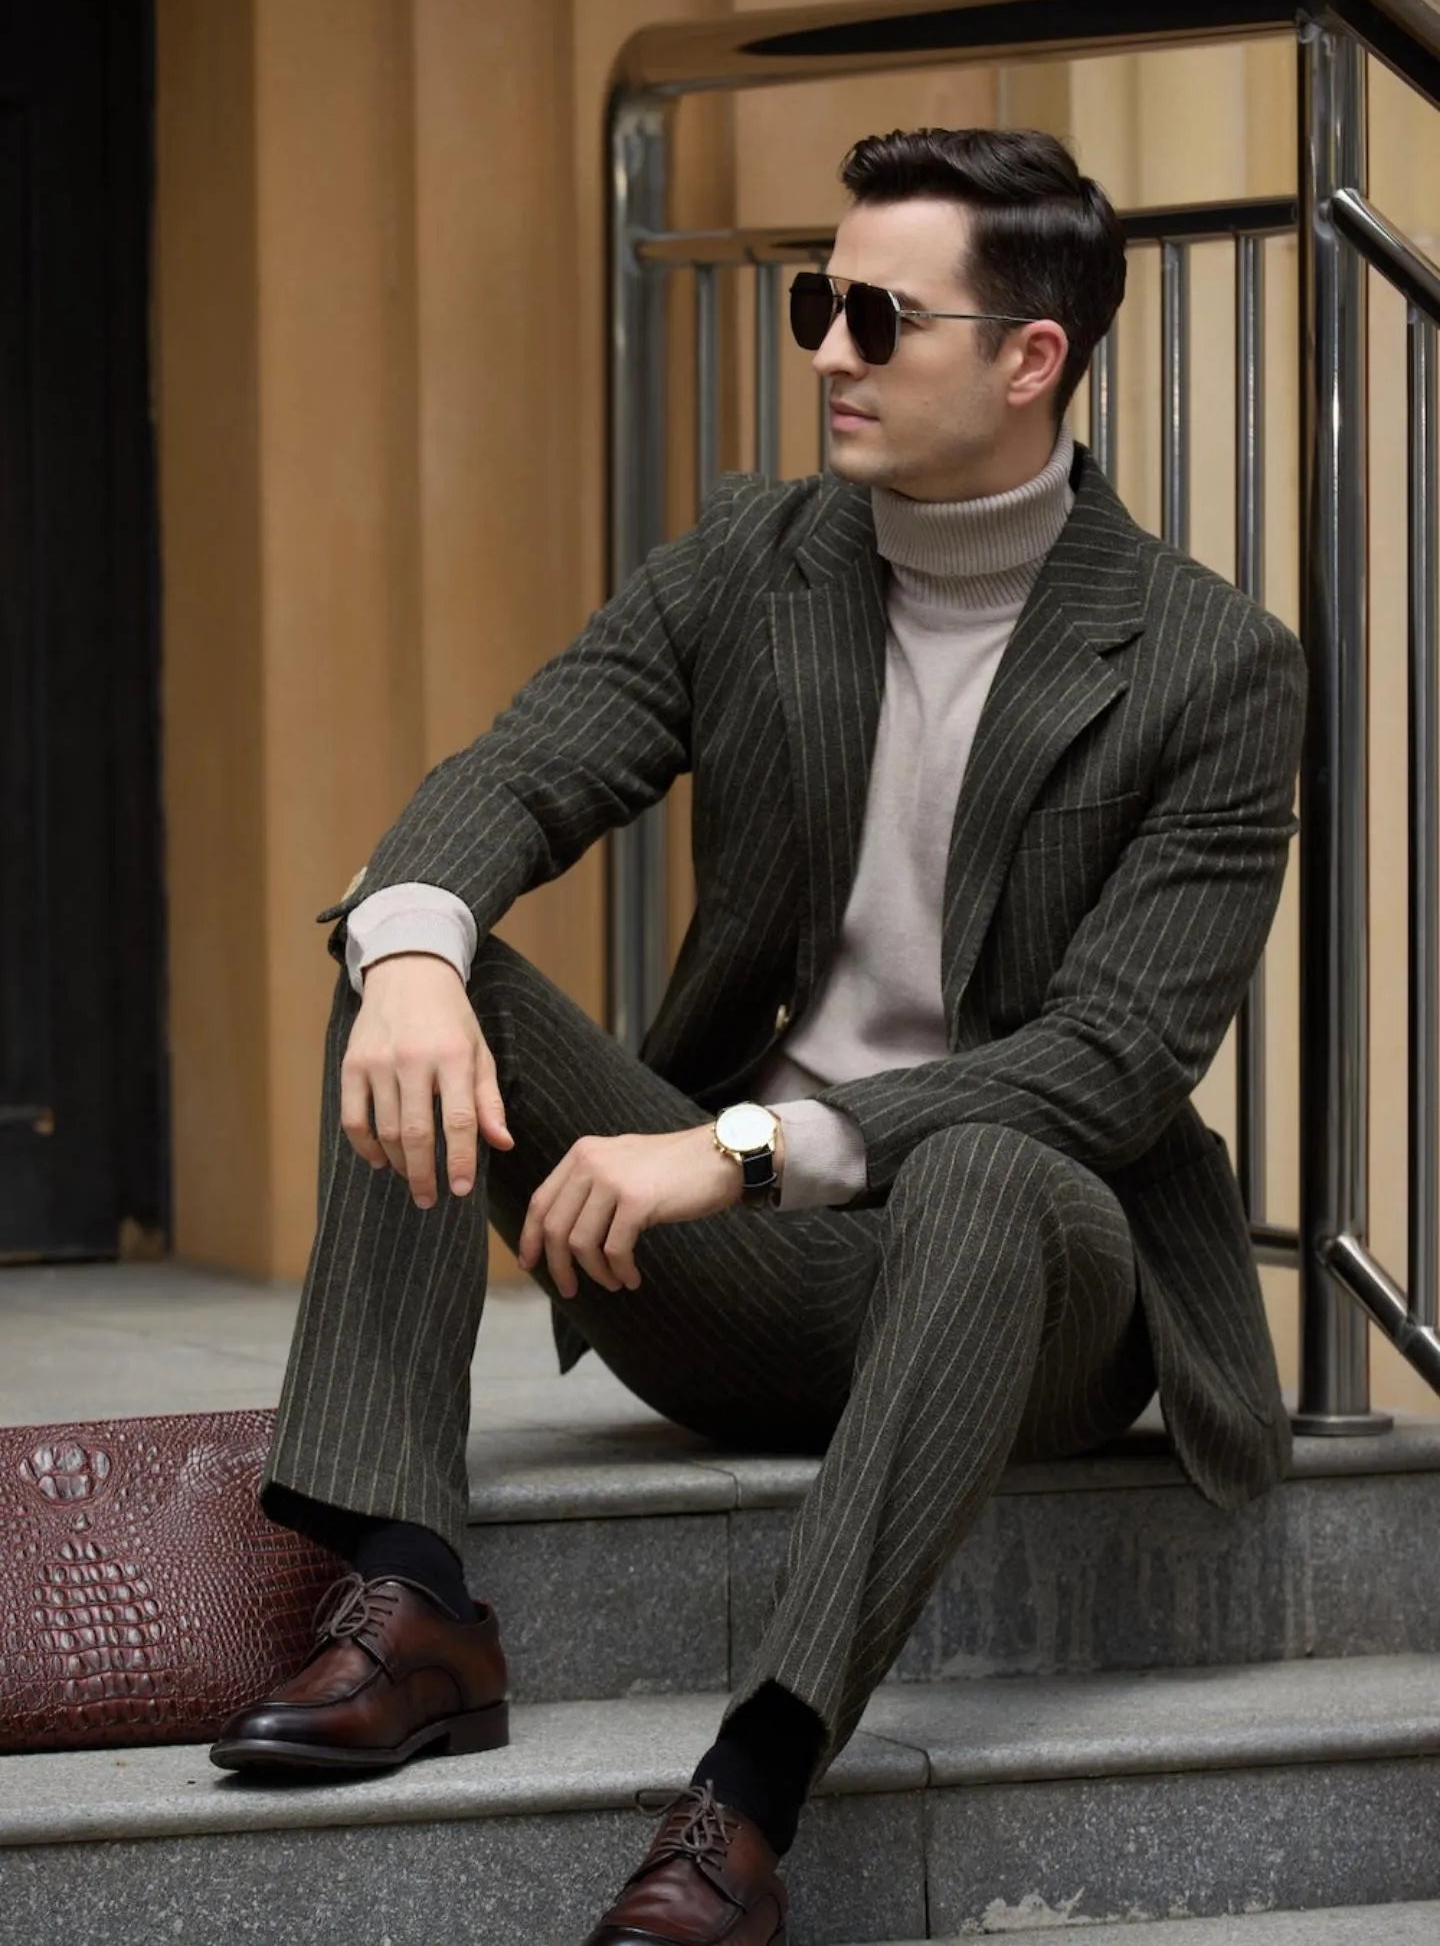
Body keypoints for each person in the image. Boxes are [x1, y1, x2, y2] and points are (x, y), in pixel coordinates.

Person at [209, 126, 1305, 1946]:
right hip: (745, 1287)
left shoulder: (1209, 664)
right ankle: (410, 1600)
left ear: (1030, 358)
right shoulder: (753, 558)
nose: (827, 351)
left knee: (986, 1163)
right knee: (413, 944)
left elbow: (1110, 1061)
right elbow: (524, 765)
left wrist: (734, 1151)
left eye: (877, 315)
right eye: (819, 304)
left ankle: (748, 1795)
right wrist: (408, 946)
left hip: (1030, 1284)